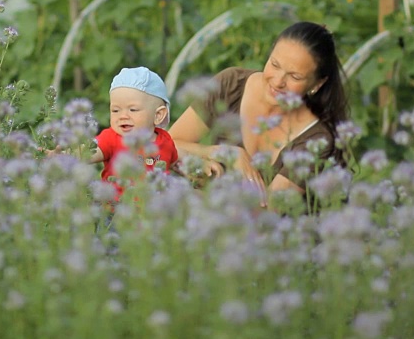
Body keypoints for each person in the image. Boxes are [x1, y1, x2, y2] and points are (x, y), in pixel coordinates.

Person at [168, 21, 349, 206]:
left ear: (317, 85)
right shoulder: (231, 85)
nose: (278, 81)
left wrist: (198, 201)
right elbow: (168, 144)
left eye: (295, 76)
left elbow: (266, 213)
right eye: (274, 64)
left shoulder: (315, 138)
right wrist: (223, 152)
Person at [91, 66, 179, 201]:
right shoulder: (111, 138)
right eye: (115, 110)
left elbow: (173, 164)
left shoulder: (165, 141)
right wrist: (64, 152)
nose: (123, 116)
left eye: (132, 109)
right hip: (117, 212)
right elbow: (89, 152)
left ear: (158, 115)